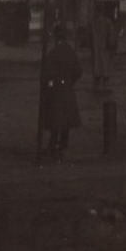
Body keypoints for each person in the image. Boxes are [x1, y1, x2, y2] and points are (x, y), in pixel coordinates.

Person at [40, 24, 82, 161]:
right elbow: (78, 71)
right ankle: (63, 146)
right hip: (67, 89)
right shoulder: (70, 51)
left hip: (55, 91)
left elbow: (46, 74)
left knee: (55, 120)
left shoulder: (53, 53)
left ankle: (53, 147)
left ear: (56, 37)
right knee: (66, 120)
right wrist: (70, 81)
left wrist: (49, 85)